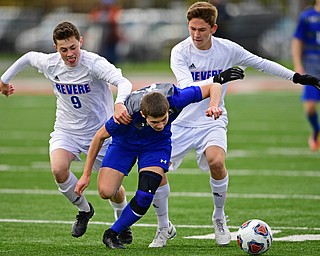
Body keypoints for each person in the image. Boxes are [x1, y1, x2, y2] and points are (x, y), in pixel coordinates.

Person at [148, 1, 320, 248]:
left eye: (202, 30)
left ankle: (219, 218)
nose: (196, 35)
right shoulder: (180, 51)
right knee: (155, 171)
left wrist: (295, 77)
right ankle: (164, 226)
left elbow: (260, 62)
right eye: (192, 29)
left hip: (212, 119)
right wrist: (218, 78)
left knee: (217, 162)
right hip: (181, 123)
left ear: (213, 28)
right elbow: (187, 87)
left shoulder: (227, 49)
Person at [74, 70, 244, 249]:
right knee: (105, 191)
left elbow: (214, 86)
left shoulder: (175, 98)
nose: (161, 125)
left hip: (156, 145)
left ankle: (112, 232)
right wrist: (86, 175)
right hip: (124, 144)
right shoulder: (127, 114)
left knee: (146, 194)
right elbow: (98, 138)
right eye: (155, 122)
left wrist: (214, 105)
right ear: (144, 116)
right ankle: (128, 218)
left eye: (164, 119)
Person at [0, 21, 133, 240]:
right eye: (64, 50)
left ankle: (121, 222)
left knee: (111, 189)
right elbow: (29, 57)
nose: (70, 54)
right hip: (67, 130)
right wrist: (4, 80)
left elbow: (123, 82)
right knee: (59, 170)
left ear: (80, 41)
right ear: (55, 48)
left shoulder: (93, 63)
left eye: (73, 48)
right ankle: (84, 210)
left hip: (100, 134)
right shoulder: (50, 64)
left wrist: (120, 103)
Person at [292, 0, 320, 151]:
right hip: (312, 67)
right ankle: (316, 130)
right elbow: (298, 41)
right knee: (310, 108)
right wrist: (297, 64)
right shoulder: (307, 16)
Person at [89, 0, 122, 64]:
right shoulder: (98, 12)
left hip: (111, 38)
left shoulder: (114, 11)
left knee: (111, 56)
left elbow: (114, 21)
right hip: (100, 39)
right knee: (102, 55)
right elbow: (92, 19)